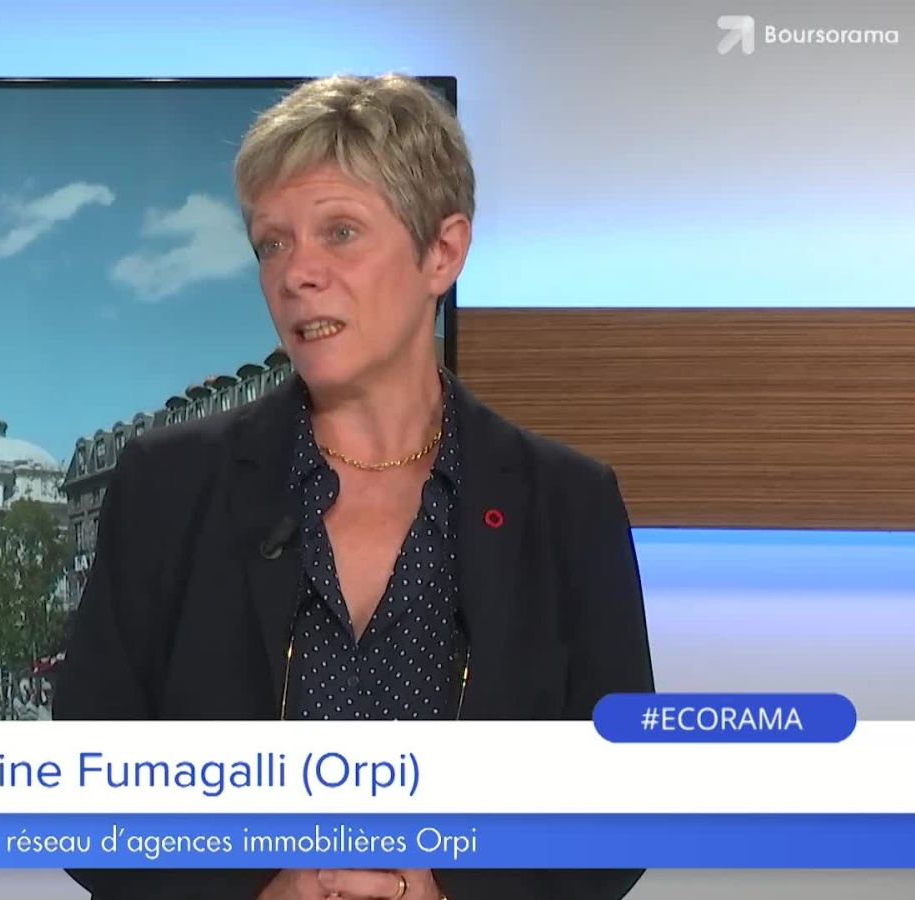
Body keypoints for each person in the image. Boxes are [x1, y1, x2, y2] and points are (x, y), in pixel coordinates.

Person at [52, 73, 655, 900]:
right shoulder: (166, 484)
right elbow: (84, 793)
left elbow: (619, 814)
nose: (297, 273)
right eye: (271, 243)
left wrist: (446, 893)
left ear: (442, 251)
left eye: (339, 232)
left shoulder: (568, 505)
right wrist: (253, 893)